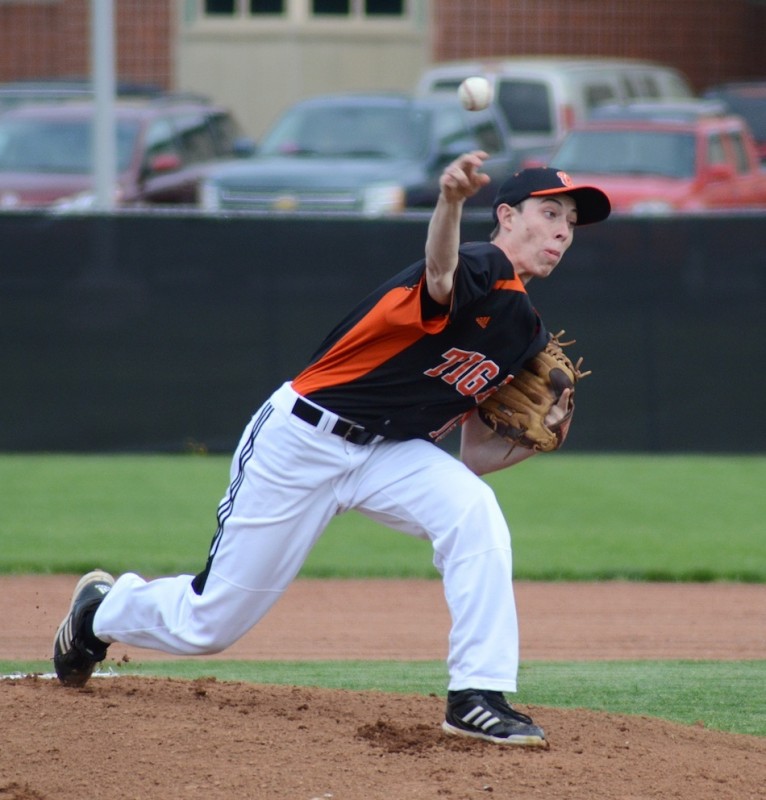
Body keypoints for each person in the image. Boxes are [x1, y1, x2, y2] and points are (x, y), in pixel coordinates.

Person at [53, 151, 610, 747]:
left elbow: (473, 459)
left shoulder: (525, 332)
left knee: (474, 510)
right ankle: (100, 614)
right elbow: (441, 275)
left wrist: (537, 442)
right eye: (549, 212)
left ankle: (477, 696)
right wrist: (449, 202)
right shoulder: (482, 264)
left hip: (387, 454)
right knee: (208, 625)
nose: (561, 231)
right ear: (504, 215)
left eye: (571, 223)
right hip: (303, 439)